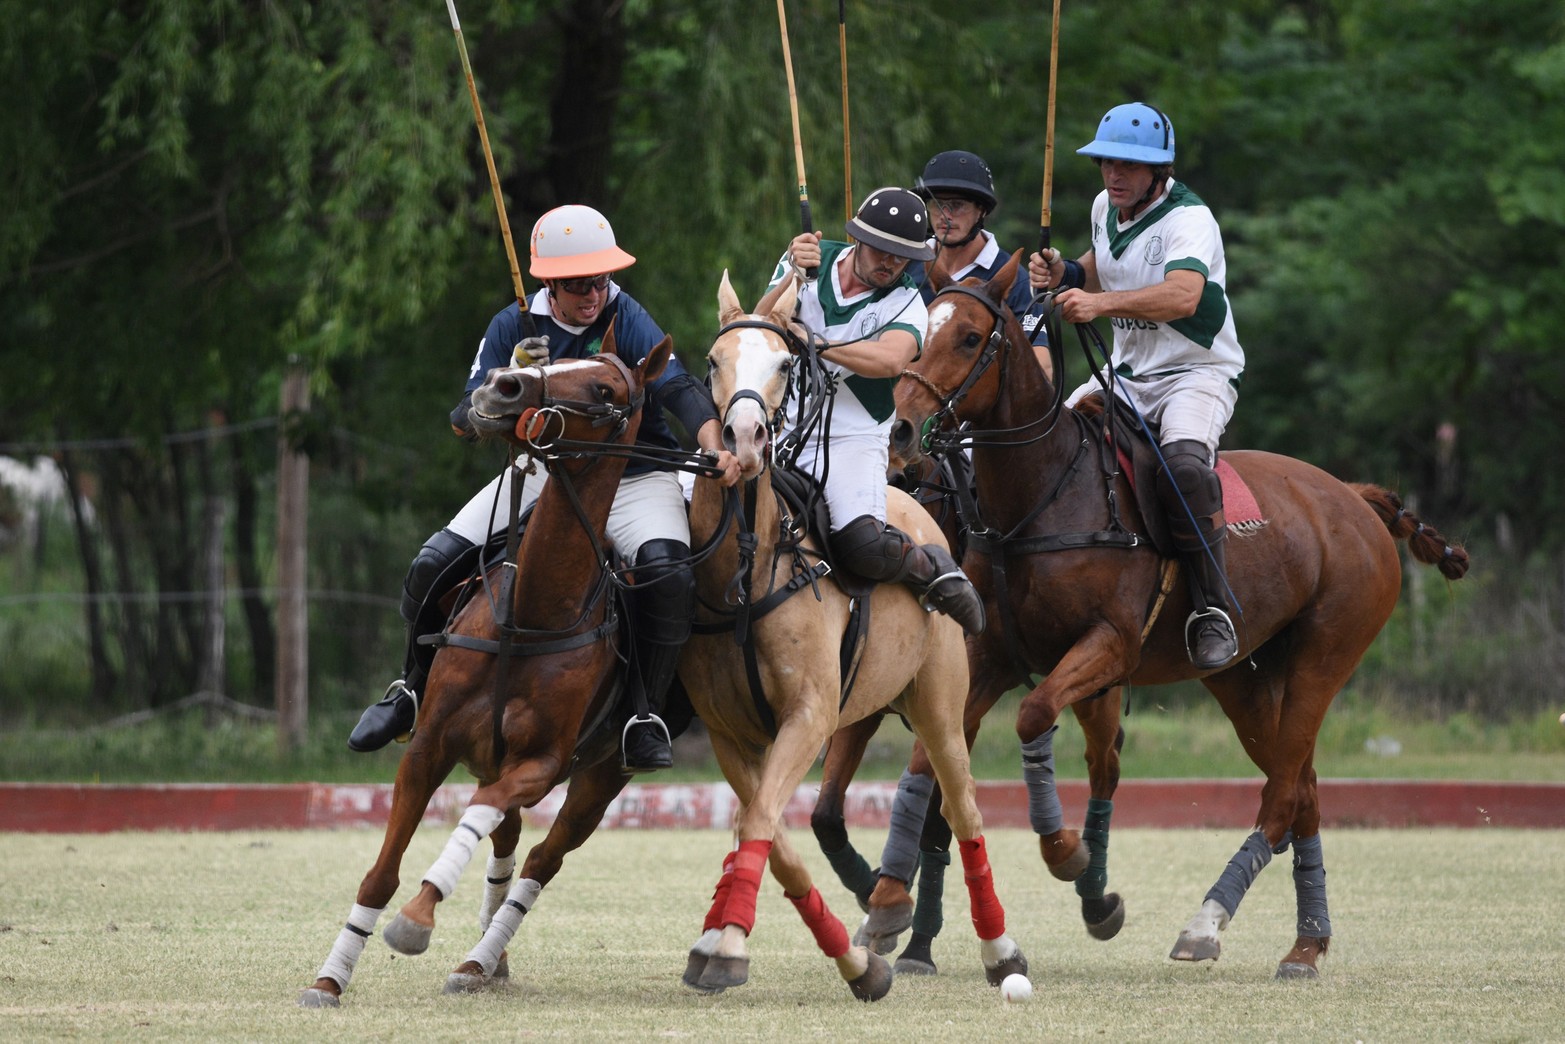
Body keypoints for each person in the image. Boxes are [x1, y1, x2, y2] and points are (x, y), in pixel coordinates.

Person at [349, 204, 741, 771]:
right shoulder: (514, 325)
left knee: (668, 572)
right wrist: (500, 386)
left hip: (634, 474)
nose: (593, 294)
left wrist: (712, 441)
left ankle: (644, 713)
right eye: (580, 284)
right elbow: (464, 421)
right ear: (550, 283)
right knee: (432, 562)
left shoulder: (625, 315)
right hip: (546, 475)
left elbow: (677, 387)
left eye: (602, 279)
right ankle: (410, 687)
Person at [1027, 102, 1244, 671]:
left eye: (1128, 165)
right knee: (1040, 437)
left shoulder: (1190, 219)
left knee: (1187, 469)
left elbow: (1182, 295)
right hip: (1127, 375)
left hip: (1193, 374)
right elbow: (1106, 262)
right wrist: (1065, 273)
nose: (1114, 175)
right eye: (1105, 164)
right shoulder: (1107, 207)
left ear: (1158, 171)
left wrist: (1097, 304)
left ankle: (1211, 608)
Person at [769, 186, 985, 635]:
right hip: (782, 425)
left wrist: (818, 344)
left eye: (902, 255)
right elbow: (757, 326)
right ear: (857, 238)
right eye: (882, 249)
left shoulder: (907, 301)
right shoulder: (809, 259)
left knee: (863, 545)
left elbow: (890, 360)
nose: (890, 262)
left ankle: (930, 567)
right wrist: (791, 275)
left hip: (853, 439)